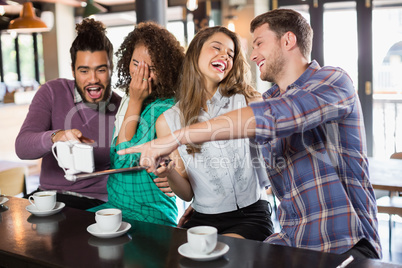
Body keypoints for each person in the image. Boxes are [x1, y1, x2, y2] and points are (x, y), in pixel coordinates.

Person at [118, 9, 382, 259]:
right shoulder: (268, 99)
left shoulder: (330, 81)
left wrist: (177, 136)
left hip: (344, 243)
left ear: (288, 40)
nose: (252, 55)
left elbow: (275, 116)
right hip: (293, 241)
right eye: (218, 47)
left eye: (258, 44)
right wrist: (204, 202)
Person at [154, 26, 274, 240]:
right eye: (216, 48)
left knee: (223, 255)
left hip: (251, 214)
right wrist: (169, 172)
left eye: (230, 54)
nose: (224, 56)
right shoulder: (167, 121)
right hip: (202, 218)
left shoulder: (248, 100)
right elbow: (187, 193)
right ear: (195, 53)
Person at [15, 18, 121, 210]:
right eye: (84, 70)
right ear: (73, 70)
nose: (93, 79)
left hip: (96, 204)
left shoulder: (122, 107)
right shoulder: (51, 92)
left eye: (101, 70)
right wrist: (57, 136)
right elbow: (22, 147)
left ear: (111, 68)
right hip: (48, 197)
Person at [88, 22, 185, 227]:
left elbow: (123, 159)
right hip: (116, 205)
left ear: (167, 70)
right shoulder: (131, 97)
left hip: (147, 213)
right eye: (135, 63)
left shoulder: (162, 107)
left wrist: (135, 100)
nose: (141, 73)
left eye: (152, 68)